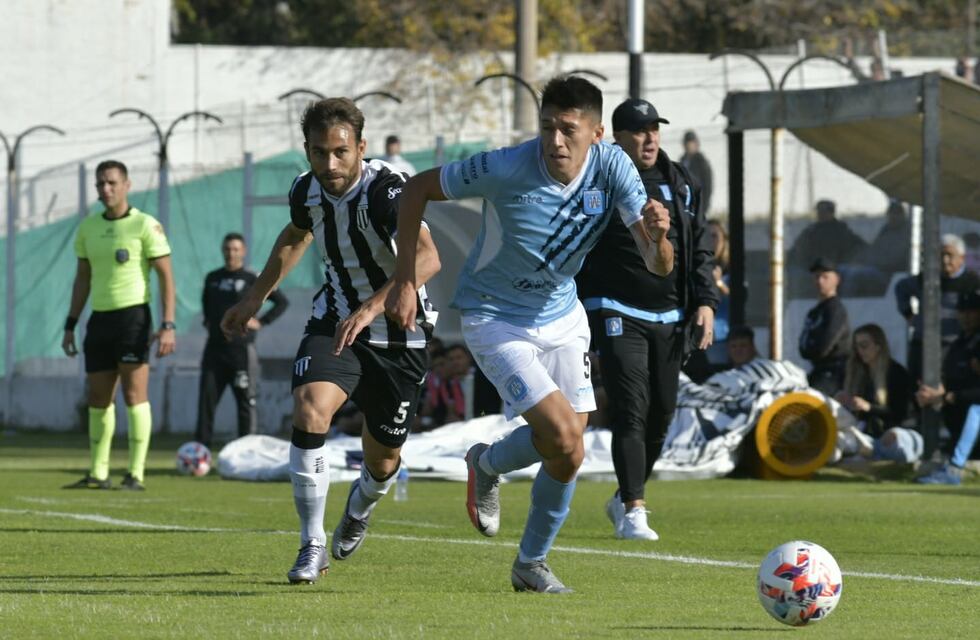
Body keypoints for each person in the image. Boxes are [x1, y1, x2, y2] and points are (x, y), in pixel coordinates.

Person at [385, 75, 673, 593]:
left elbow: (657, 265)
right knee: (562, 434)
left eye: (568, 130)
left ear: (596, 133)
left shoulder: (613, 168)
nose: (555, 141)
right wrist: (405, 279)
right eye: (547, 128)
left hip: (563, 316)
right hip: (495, 316)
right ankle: (500, 489)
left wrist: (659, 236)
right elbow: (416, 189)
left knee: (570, 448)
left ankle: (518, 537)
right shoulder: (505, 166)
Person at [220, 98, 441, 585]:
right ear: (308, 151)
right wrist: (256, 296)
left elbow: (426, 259)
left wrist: (371, 307)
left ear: (361, 147)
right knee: (309, 409)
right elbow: (296, 235)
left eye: (341, 152)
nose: (330, 164)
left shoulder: (387, 192)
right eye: (319, 153)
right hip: (335, 321)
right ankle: (311, 543)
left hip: (397, 334)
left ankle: (360, 505)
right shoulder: (308, 190)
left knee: (383, 459)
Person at [576, 97, 718, 540]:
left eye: (654, 128)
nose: (650, 137)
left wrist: (706, 301)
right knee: (631, 408)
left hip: (672, 314)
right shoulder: (599, 178)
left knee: (663, 413)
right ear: (616, 137)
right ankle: (636, 509)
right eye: (639, 130)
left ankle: (623, 496)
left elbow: (700, 247)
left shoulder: (681, 182)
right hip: (616, 309)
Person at [62, 160, 176, 491]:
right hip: (99, 321)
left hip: (133, 319)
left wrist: (168, 324)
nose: (105, 189)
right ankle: (98, 472)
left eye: (112, 183)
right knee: (98, 398)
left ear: (127, 185)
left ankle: (135, 473)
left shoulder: (145, 224)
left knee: (134, 395)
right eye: (100, 184)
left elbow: (166, 277)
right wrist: (70, 324)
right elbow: (82, 279)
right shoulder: (87, 227)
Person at [195, 233, 289, 448]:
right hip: (214, 351)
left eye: (236, 249)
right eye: (228, 249)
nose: (231, 253)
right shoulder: (213, 278)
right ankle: (200, 450)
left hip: (241, 352)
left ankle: (246, 450)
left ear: (243, 252)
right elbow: (207, 308)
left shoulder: (253, 278)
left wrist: (262, 322)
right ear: (222, 250)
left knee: (246, 403)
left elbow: (282, 302)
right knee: (206, 401)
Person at [914, 289, 980, 484]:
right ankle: (941, 457)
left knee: (978, 409)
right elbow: (952, 380)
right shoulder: (960, 344)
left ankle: (954, 468)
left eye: (972, 311)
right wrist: (935, 394)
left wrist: (949, 396)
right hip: (961, 422)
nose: (966, 317)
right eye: (963, 312)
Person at [895, 234, 980, 379]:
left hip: (954, 346)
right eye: (941, 255)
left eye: (950, 255)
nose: (945, 260)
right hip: (923, 345)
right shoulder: (927, 279)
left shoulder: (972, 283)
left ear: (962, 258)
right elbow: (901, 288)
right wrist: (910, 315)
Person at [836, 324, 914, 440]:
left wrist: (869, 407)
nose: (860, 351)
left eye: (864, 345)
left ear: (878, 346)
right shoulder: (855, 369)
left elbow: (900, 412)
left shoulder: (895, 372)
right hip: (859, 430)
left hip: (888, 432)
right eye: (856, 347)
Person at [786, 199, 866, 294]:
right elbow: (798, 250)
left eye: (824, 211)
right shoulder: (811, 231)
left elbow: (859, 247)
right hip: (810, 268)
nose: (820, 214)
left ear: (831, 212)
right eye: (819, 211)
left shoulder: (841, 231)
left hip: (835, 269)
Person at [798, 258, 850, 396]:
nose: (820, 281)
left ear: (836, 280)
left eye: (825, 276)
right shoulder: (814, 312)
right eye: (817, 277)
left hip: (834, 373)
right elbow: (803, 347)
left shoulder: (835, 309)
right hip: (817, 370)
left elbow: (824, 347)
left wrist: (814, 348)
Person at [679, 130, 712, 215]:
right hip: (684, 205)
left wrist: (704, 207)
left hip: (698, 205)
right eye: (687, 142)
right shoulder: (682, 161)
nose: (689, 145)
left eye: (691, 142)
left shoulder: (701, 162)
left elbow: (707, 187)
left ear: (696, 144)